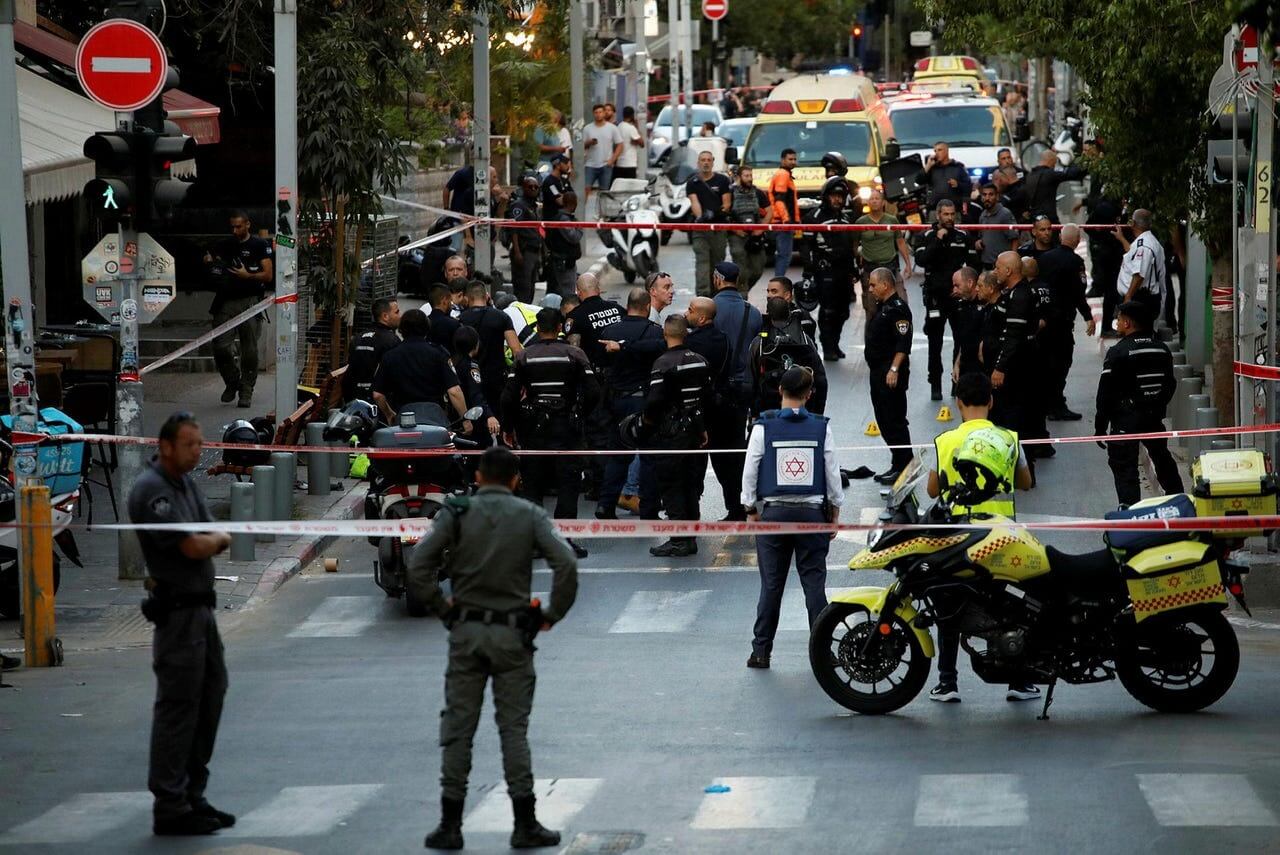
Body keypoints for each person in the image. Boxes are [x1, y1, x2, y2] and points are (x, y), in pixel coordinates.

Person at [408, 446, 578, 851]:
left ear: (480, 477)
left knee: (458, 728)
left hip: (466, 633)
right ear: (516, 480)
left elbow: (419, 565)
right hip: (513, 636)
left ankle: (450, 825)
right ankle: (524, 823)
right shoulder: (529, 515)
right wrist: (550, 614)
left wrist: (442, 609)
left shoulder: (456, 512)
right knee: (513, 730)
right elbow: (566, 564)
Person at [129, 413, 235, 836]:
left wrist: (214, 538)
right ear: (167, 446)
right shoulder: (152, 490)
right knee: (178, 707)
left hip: (201, 612)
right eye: (190, 445)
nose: (198, 451)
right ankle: (170, 804)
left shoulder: (186, 484)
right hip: (177, 616)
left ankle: (194, 793)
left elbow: (207, 531)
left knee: (211, 695)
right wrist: (218, 540)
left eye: (199, 444)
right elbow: (196, 545)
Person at [925, 372, 1036, 703]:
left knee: (949, 607)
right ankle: (1016, 681)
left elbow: (933, 489)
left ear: (958, 403)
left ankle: (947, 683)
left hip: (957, 539)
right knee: (1002, 606)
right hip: (1001, 537)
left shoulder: (945, 441)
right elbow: (1026, 482)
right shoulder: (1009, 438)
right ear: (991, 400)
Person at [742, 366, 843, 669]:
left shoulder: (763, 427)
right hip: (812, 515)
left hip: (774, 514)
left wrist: (750, 509)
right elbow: (832, 472)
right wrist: (835, 511)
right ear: (810, 394)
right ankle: (824, 653)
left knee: (771, 585)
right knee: (814, 584)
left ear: (780, 391)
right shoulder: (821, 427)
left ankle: (761, 652)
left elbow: (750, 469)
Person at [501, 309, 598, 558]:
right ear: (559, 328)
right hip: (566, 428)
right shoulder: (574, 354)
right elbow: (593, 391)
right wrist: (580, 413)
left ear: (537, 328)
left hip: (533, 428)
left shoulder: (524, 356)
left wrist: (508, 427)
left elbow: (509, 396)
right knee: (568, 483)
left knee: (532, 484)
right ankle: (564, 540)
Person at [1095, 301, 1182, 507]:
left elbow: (1106, 392)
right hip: (1153, 418)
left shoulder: (1118, 351)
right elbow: (1170, 383)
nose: (1116, 323)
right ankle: (1180, 502)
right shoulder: (1162, 349)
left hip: (1125, 421)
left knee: (1124, 466)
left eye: (1119, 319)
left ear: (1127, 323)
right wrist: (1157, 405)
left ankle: (1131, 511)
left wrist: (1100, 425)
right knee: (1163, 460)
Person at [645, 315, 714, 556]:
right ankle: (690, 537)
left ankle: (678, 539)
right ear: (686, 334)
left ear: (665, 334)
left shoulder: (662, 364)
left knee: (671, 485)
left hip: (670, 433)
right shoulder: (700, 361)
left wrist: (647, 423)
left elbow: (654, 401)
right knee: (691, 484)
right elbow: (707, 398)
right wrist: (703, 427)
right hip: (695, 431)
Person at [595, 288, 664, 520]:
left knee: (617, 454)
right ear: (646, 307)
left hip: (615, 400)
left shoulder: (610, 331)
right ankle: (648, 509)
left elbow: (602, 363)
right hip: (643, 402)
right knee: (648, 456)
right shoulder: (654, 332)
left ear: (628, 306)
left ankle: (605, 505)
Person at [710, 262, 763, 519]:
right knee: (739, 447)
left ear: (718, 279)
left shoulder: (708, 309)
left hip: (716, 389)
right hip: (744, 388)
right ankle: (745, 501)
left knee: (718, 451)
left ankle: (733, 503)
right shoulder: (752, 313)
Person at [205, 211, 273, 408]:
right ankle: (232, 381)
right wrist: (210, 263)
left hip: (250, 301)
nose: (235, 230)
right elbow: (212, 260)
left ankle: (246, 390)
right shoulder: (225, 244)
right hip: (225, 301)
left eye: (239, 227)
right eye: (232, 227)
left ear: (248, 225)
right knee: (221, 346)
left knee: (249, 351)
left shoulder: (259, 245)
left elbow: (267, 275)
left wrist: (247, 276)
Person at [913, 199, 978, 400]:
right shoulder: (925, 236)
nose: (949, 218)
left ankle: (956, 382)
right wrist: (937, 241)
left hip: (958, 299)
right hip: (935, 298)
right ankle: (935, 384)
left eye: (952, 214)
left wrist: (968, 289)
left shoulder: (963, 236)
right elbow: (921, 261)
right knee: (935, 343)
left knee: (962, 340)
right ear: (938, 215)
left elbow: (973, 265)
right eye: (946, 214)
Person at [1038, 224, 1096, 420]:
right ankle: (1056, 404)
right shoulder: (1075, 262)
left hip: (1043, 321)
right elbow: (1078, 293)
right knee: (1061, 363)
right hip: (1062, 322)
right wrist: (1088, 316)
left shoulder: (1044, 259)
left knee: (1045, 363)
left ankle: (1046, 403)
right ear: (1077, 240)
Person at [372, 309, 468, 423]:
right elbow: (454, 391)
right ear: (427, 328)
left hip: (404, 420)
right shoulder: (439, 353)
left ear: (401, 329)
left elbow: (377, 395)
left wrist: (389, 414)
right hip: (435, 420)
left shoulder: (390, 356)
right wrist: (465, 419)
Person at [864, 268, 914, 482]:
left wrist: (894, 369)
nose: (870, 288)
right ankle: (898, 462)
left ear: (885, 285)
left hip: (890, 373)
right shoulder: (884, 307)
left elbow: (903, 343)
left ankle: (905, 465)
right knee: (883, 418)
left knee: (894, 419)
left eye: (873, 285)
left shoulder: (898, 309)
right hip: (878, 372)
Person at [988, 251, 1038, 445]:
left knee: (1012, 419)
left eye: (997, 267)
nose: (995, 272)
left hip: (1017, 368)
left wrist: (1000, 368)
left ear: (1008, 271)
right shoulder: (1013, 293)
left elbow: (1013, 336)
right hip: (1018, 364)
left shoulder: (1020, 296)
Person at [806, 178, 857, 361]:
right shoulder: (814, 216)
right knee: (828, 311)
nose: (838, 200)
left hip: (844, 272)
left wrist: (854, 270)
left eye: (841, 197)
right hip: (824, 271)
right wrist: (808, 271)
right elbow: (806, 247)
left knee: (844, 312)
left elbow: (850, 246)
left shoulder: (845, 218)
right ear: (826, 197)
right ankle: (827, 347)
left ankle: (834, 342)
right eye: (834, 196)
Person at [748, 296, 827, 416]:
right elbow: (820, 379)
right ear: (789, 313)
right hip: (802, 410)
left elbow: (750, 381)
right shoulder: (804, 340)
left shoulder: (759, 343)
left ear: (768, 314)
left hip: (767, 411)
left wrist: (754, 413)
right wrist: (818, 412)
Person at [460, 281, 524, 418]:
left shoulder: (460, 319)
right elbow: (517, 350)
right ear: (487, 296)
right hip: (496, 378)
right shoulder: (501, 317)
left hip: (469, 379)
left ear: (467, 298)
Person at [852, 189, 913, 315]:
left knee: (901, 306)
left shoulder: (892, 220)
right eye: (871, 199)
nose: (874, 201)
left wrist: (908, 264)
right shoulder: (860, 222)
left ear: (883, 202)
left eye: (877, 198)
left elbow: (900, 242)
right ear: (868, 202)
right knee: (872, 312)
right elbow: (854, 245)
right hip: (870, 271)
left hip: (891, 268)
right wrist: (855, 264)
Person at [687, 150, 732, 296]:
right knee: (702, 264)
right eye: (702, 160)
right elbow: (694, 202)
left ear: (713, 162)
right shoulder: (693, 182)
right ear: (698, 163)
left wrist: (716, 213)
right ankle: (702, 298)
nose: (705, 162)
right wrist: (701, 217)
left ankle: (717, 296)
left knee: (717, 265)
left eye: (708, 160)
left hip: (719, 229)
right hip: (700, 230)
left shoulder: (723, 180)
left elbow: (727, 204)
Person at [450, 325, 501, 445]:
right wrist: (489, 415)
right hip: (472, 420)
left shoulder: (451, 363)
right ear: (475, 344)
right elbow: (475, 393)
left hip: (453, 419)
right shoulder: (471, 366)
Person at [343, 297, 401, 403]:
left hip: (353, 397)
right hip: (378, 401)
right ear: (385, 316)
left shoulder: (358, 338)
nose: (400, 316)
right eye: (397, 312)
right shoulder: (392, 341)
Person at [727, 165, 773, 293]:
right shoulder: (731, 192)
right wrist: (735, 229)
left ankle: (743, 290)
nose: (749, 179)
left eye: (751, 176)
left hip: (755, 235)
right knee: (741, 270)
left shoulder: (758, 193)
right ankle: (742, 296)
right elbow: (725, 213)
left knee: (758, 268)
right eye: (746, 176)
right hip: (737, 235)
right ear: (739, 177)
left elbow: (770, 212)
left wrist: (760, 228)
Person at [1115, 208, 1166, 317]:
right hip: (1140, 297)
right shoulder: (1148, 241)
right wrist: (1121, 238)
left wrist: (1128, 298)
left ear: (1133, 223)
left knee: (1138, 332)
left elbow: (1139, 275)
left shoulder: (1144, 246)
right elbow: (1134, 255)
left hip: (1139, 299)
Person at [506, 175, 543, 303]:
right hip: (523, 251)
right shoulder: (519, 205)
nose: (533, 189)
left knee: (531, 288)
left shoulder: (534, 206)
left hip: (533, 251)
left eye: (536, 187)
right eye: (530, 186)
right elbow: (514, 229)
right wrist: (517, 252)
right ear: (524, 188)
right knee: (523, 288)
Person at [1022, 149, 1086, 223]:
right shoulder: (1049, 174)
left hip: (1034, 218)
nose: (1054, 166)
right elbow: (1072, 173)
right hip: (1049, 219)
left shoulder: (1029, 175)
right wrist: (1085, 160)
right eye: (1054, 164)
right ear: (1050, 160)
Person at [767, 148, 800, 277]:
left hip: (780, 221)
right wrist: (787, 220)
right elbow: (779, 200)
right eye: (790, 159)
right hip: (782, 222)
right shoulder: (783, 175)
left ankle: (778, 281)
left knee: (784, 255)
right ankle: (779, 282)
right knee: (784, 255)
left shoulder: (784, 174)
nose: (793, 162)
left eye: (794, 159)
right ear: (783, 160)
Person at [544, 189, 584, 296]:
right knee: (567, 292)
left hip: (563, 260)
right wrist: (579, 227)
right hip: (563, 262)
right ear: (572, 204)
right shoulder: (564, 219)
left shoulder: (563, 218)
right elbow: (574, 237)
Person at [582, 103, 623, 205]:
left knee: (604, 191)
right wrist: (589, 142)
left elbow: (620, 144)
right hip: (590, 164)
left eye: (600, 112)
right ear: (593, 114)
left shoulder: (612, 128)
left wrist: (612, 160)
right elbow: (581, 145)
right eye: (596, 112)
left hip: (606, 164)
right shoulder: (588, 128)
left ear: (604, 113)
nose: (598, 114)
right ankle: (580, 213)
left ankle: (602, 215)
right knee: (585, 189)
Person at [949, 267, 984, 383]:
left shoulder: (986, 304)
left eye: (957, 285)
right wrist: (957, 363)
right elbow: (963, 339)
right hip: (966, 363)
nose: (954, 290)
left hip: (982, 366)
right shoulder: (960, 305)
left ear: (970, 283)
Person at [915, 141, 971, 213]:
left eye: (940, 150)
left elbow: (968, 186)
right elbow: (918, 180)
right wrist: (928, 165)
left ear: (947, 151)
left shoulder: (958, 167)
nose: (937, 153)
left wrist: (958, 184)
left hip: (953, 211)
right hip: (934, 210)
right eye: (935, 151)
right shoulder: (932, 168)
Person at [975, 183, 1019, 270]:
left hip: (1002, 266)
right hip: (986, 265)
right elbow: (982, 237)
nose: (987, 198)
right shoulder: (982, 215)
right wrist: (978, 243)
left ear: (997, 196)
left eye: (991, 194)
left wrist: (1013, 263)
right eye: (984, 194)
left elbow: (1015, 239)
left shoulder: (1005, 214)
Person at [425, 284, 461, 351]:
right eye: (450, 301)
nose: (451, 305)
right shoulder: (453, 324)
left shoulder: (423, 323)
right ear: (444, 301)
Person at [613, 105, 645, 181]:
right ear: (632, 115)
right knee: (630, 187)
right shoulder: (631, 128)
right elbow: (642, 143)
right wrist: (637, 127)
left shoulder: (619, 126)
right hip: (630, 163)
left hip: (619, 163)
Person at [540, 153, 573, 220]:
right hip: (552, 221)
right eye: (565, 163)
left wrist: (565, 196)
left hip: (565, 218)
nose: (568, 166)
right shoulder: (549, 182)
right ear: (558, 165)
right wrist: (567, 197)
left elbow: (573, 198)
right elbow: (560, 201)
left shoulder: (564, 180)